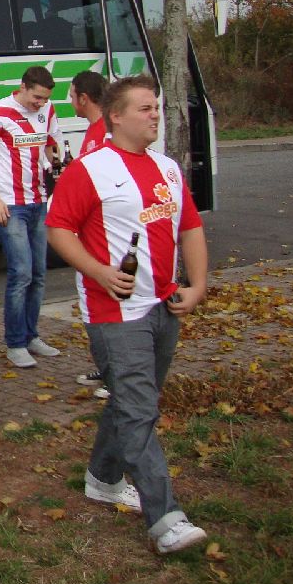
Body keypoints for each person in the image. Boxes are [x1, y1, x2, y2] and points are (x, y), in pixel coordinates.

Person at [46, 75, 210, 554]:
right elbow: (58, 230)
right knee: (140, 409)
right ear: (115, 116)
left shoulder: (169, 169)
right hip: (114, 315)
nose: (155, 114)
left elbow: (191, 228)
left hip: (164, 307)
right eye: (144, 108)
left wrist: (197, 286)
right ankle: (167, 520)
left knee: (132, 402)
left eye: (156, 107)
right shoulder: (90, 169)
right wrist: (98, 271)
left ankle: (103, 477)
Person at [0, 65, 63, 368]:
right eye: (37, 97)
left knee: (38, 273)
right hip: (11, 205)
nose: (41, 103)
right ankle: (15, 344)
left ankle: (31, 335)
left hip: (39, 202)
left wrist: (56, 165)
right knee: (21, 273)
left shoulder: (47, 110)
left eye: (45, 99)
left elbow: (53, 146)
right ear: (23, 87)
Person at [68, 68, 111, 396]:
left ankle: (116, 376)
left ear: (84, 98)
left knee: (105, 308)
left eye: (71, 95)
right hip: (89, 238)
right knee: (91, 306)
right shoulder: (93, 131)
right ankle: (106, 367)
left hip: (103, 241)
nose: (70, 101)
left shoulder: (106, 133)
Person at [71, 69, 109, 156]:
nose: (71, 103)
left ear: (83, 99)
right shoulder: (94, 127)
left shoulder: (108, 131)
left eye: (72, 97)